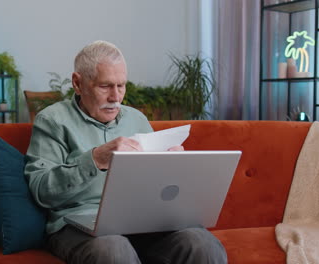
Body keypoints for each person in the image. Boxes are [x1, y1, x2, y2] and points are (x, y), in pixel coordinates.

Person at [24, 40, 227, 264]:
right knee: (113, 250)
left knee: (202, 244)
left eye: (121, 86)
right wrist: (95, 159)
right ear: (78, 83)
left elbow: (154, 184)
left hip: (141, 221)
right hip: (78, 224)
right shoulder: (52, 121)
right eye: (105, 86)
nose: (116, 97)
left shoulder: (136, 119)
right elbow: (41, 191)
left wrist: (173, 166)